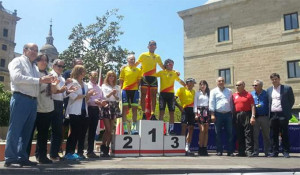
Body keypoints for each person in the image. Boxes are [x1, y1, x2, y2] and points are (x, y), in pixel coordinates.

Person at [5, 43, 53, 167]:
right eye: (32, 49)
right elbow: (16, 77)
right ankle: (10, 159)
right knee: (15, 129)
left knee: (26, 132)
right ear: (24, 50)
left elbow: (38, 83)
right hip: (21, 98)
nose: (34, 52)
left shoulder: (34, 67)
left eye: (36, 50)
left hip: (33, 101)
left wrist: (48, 80)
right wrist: (40, 80)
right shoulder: (17, 61)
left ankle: (22, 157)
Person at [30, 54, 58, 164]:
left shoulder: (49, 74)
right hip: (35, 107)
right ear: (37, 61)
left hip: (47, 108)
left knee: (43, 134)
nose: (44, 62)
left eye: (46, 60)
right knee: (29, 133)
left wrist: (54, 84)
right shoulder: (33, 73)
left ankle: (41, 156)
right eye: (41, 60)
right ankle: (24, 156)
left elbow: (54, 91)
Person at [64, 65, 94, 160]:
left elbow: (86, 99)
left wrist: (89, 95)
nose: (84, 73)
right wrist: (85, 95)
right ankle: (69, 152)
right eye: (82, 71)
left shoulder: (85, 84)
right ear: (78, 72)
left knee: (80, 133)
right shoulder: (72, 82)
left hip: (84, 111)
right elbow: (73, 96)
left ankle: (77, 152)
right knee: (74, 132)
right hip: (74, 110)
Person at [267, 73, 294, 158]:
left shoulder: (287, 88)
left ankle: (286, 152)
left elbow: (291, 101)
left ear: (279, 79)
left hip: (283, 114)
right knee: (274, 134)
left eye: (276, 79)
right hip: (273, 115)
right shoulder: (269, 90)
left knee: (284, 133)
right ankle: (275, 152)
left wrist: (286, 110)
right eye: (273, 79)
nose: (274, 81)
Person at [135, 40, 164, 120]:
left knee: (154, 96)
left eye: (154, 45)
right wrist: (126, 66)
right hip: (144, 77)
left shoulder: (157, 56)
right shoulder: (143, 55)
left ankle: (153, 114)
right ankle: (144, 113)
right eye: (151, 45)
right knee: (143, 96)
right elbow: (135, 65)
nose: (152, 46)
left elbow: (163, 67)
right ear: (148, 46)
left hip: (153, 78)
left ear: (156, 47)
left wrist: (174, 71)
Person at [156, 59, 185, 135]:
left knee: (171, 112)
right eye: (170, 64)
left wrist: (186, 85)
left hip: (171, 95)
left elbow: (179, 81)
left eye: (173, 65)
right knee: (161, 112)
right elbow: (153, 75)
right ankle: (161, 129)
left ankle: (171, 129)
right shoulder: (161, 72)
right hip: (162, 94)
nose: (172, 66)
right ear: (166, 65)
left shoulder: (174, 73)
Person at [50, 59, 71, 161]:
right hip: (49, 102)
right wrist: (61, 90)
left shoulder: (62, 79)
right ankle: (40, 155)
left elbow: (63, 94)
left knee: (57, 130)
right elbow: (50, 92)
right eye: (59, 66)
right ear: (53, 66)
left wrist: (68, 92)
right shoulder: (50, 75)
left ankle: (54, 154)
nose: (61, 68)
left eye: (63, 66)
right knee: (43, 130)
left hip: (59, 104)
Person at [209, 77, 234, 156]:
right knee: (218, 133)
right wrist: (212, 114)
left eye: (222, 81)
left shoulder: (229, 91)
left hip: (228, 114)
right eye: (219, 81)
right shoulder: (213, 91)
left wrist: (232, 112)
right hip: (218, 114)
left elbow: (231, 103)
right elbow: (211, 103)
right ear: (217, 82)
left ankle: (230, 151)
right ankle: (219, 151)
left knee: (229, 133)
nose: (221, 82)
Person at [101, 71, 121, 157]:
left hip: (114, 106)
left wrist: (115, 95)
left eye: (113, 76)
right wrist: (111, 93)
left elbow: (119, 99)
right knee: (108, 129)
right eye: (110, 76)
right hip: (107, 105)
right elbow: (104, 97)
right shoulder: (104, 86)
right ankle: (103, 146)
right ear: (107, 77)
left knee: (111, 130)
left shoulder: (117, 87)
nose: (111, 77)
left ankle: (107, 148)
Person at [120, 54, 142, 135]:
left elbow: (139, 81)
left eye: (133, 59)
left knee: (134, 110)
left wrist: (136, 89)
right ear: (127, 60)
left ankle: (133, 129)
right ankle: (125, 129)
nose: (132, 60)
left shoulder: (138, 70)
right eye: (130, 59)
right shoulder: (124, 69)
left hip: (134, 91)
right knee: (125, 109)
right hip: (125, 90)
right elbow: (121, 81)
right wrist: (120, 90)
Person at [232, 81, 256, 157]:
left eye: (239, 85)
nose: (237, 86)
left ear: (243, 85)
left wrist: (253, 116)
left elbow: (252, 106)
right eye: (236, 85)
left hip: (246, 114)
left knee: (248, 133)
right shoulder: (234, 95)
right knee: (239, 133)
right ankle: (241, 151)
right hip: (237, 115)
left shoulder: (248, 95)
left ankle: (249, 151)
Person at [86, 71, 105, 158]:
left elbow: (102, 98)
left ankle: (90, 151)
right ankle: (80, 151)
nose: (94, 78)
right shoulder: (86, 86)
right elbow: (85, 98)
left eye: (96, 76)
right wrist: (94, 101)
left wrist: (101, 102)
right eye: (92, 76)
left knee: (92, 131)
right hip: (88, 109)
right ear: (89, 76)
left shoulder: (99, 87)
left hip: (96, 109)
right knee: (83, 131)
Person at [175, 78, 196, 154]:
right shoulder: (181, 89)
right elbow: (174, 99)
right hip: (184, 110)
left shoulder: (194, 91)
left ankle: (187, 147)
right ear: (189, 83)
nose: (193, 85)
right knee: (184, 127)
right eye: (193, 83)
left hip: (192, 111)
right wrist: (179, 107)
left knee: (191, 128)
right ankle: (181, 146)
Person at [251, 80, 271, 157]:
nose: (254, 87)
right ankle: (256, 151)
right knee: (255, 135)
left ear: (261, 86)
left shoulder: (266, 94)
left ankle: (267, 151)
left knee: (266, 135)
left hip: (264, 117)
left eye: (256, 85)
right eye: (253, 85)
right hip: (255, 117)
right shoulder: (251, 94)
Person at [194, 80, 210, 156]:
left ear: (206, 85)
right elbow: (195, 103)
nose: (202, 86)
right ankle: (200, 148)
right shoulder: (197, 93)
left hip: (207, 111)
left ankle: (205, 148)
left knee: (206, 131)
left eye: (204, 84)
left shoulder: (208, 94)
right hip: (199, 111)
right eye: (201, 84)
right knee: (202, 130)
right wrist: (195, 114)